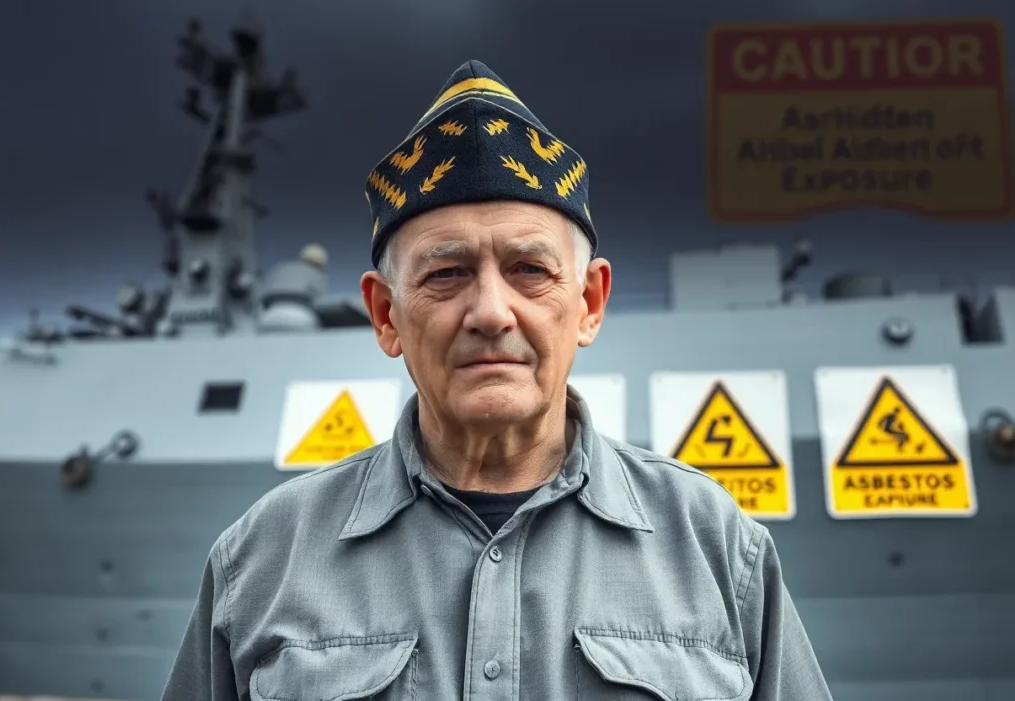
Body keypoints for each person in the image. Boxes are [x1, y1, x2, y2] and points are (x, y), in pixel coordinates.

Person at [161, 60, 833, 700]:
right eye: (446, 273)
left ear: (590, 304)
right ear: (385, 313)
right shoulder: (262, 560)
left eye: (530, 270)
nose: (489, 312)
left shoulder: (716, 547)